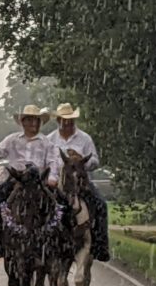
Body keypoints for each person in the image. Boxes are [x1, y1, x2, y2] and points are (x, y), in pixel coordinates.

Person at [0, 104, 60, 258]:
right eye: (29, 120)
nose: (33, 124)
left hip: (39, 181)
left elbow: (53, 162)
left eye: (36, 121)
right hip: (17, 179)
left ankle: (59, 243)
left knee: (60, 204)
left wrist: (53, 178)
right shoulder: (12, 139)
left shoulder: (47, 143)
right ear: (23, 122)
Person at [46, 102, 111, 262]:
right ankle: (41, 242)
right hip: (57, 181)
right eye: (63, 120)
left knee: (101, 204)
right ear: (58, 121)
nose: (67, 123)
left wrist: (81, 161)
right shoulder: (49, 139)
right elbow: (46, 161)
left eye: (70, 120)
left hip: (80, 182)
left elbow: (95, 160)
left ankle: (99, 245)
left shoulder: (84, 138)